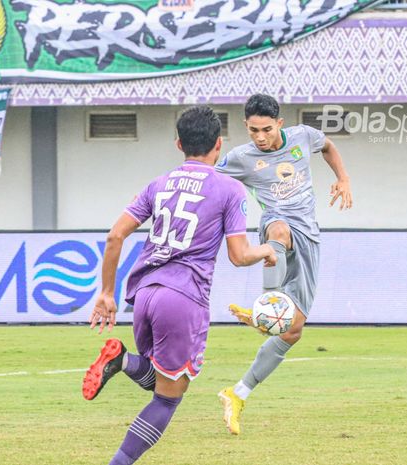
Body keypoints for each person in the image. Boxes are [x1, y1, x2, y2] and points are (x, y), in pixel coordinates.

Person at [83, 105, 277, 465]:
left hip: (144, 294)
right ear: (219, 144)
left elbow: (115, 235)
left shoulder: (159, 183)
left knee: (160, 376)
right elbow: (238, 255)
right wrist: (267, 248)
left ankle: (122, 360)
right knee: (167, 398)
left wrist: (107, 293)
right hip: (184, 298)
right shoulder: (230, 189)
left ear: (178, 143)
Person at [215, 93, 353, 435]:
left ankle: (237, 393)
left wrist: (343, 178)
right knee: (278, 229)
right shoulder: (241, 158)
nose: (259, 137)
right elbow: (211, 180)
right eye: (252, 130)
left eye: (265, 129)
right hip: (277, 224)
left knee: (293, 330)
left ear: (279, 123)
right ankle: (267, 301)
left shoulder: (303, 136)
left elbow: (329, 146)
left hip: (310, 238)